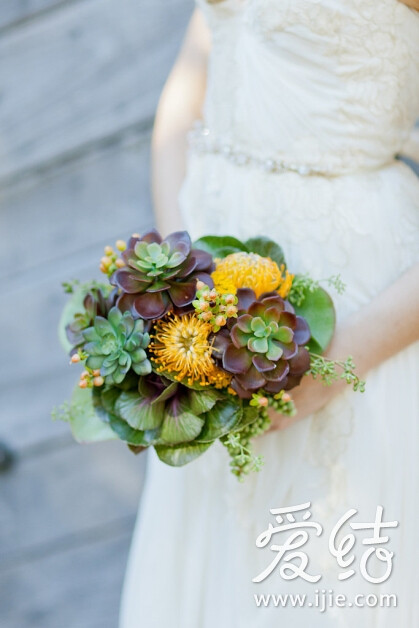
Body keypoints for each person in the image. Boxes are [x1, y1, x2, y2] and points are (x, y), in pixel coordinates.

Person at [120, 1, 419, 626]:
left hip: (355, 301)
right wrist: (180, 282)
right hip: (211, 281)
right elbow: (181, 107)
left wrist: (330, 372)